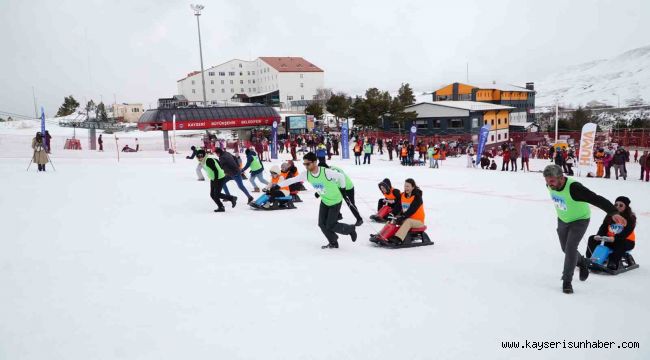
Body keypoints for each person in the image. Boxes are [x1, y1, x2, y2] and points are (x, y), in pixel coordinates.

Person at [543, 164, 626, 294]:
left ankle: (567, 281)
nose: (549, 184)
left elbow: (595, 198)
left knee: (570, 248)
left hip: (580, 220)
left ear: (561, 177)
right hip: (563, 219)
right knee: (565, 248)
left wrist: (613, 212)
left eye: (552, 180)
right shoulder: (550, 184)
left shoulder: (575, 188)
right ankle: (583, 263)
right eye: (547, 181)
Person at [273, 152, 357, 249]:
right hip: (325, 200)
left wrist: (342, 189)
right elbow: (292, 180)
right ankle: (333, 242)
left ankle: (350, 229)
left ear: (315, 162)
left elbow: (341, 177)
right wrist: (278, 186)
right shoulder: (306, 174)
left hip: (335, 200)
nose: (306, 166)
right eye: (304, 164)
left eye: (308, 164)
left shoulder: (326, 172)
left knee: (331, 225)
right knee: (321, 224)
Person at [586, 196, 636, 270]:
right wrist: (599, 236)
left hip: (626, 241)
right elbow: (603, 227)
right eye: (616, 204)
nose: (618, 206)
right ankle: (590, 259)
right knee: (592, 238)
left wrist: (614, 239)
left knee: (621, 243)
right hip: (609, 239)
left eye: (621, 205)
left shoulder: (630, 218)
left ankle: (613, 262)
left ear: (626, 207)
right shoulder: (610, 215)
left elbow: (626, 232)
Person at [388, 178, 425, 244]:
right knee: (393, 219)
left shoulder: (417, 197)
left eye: (408, 186)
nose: (406, 188)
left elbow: (412, 210)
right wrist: (393, 213)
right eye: (405, 186)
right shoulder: (402, 195)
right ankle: (383, 235)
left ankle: (398, 238)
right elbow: (398, 206)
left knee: (408, 221)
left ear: (413, 187)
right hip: (407, 218)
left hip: (418, 221)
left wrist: (403, 216)